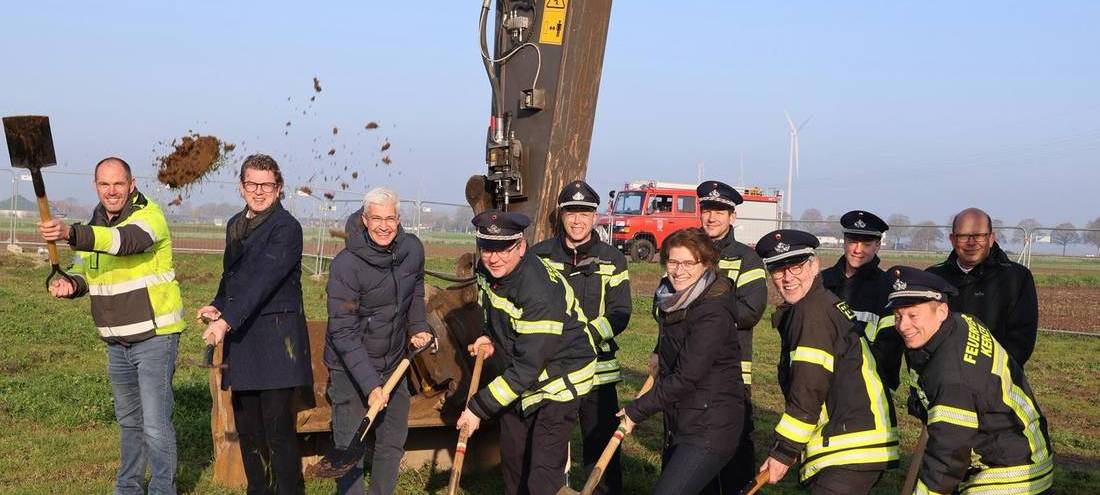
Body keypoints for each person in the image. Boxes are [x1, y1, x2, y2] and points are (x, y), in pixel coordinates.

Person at [39, 157, 183, 494]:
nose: (112, 191)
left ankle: (163, 490)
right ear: (96, 187)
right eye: (105, 184)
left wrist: (70, 233)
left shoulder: (149, 217)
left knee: (155, 426)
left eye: (119, 184)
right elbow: (89, 273)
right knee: (129, 424)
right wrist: (71, 285)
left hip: (154, 338)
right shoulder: (97, 221)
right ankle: (127, 488)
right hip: (117, 342)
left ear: (131, 185)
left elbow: (123, 242)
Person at [455, 210, 597, 495]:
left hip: (560, 378)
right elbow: (493, 308)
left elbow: (527, 368)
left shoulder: (539, 292)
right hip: (520, 372)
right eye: (486, 249)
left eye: (503, 249)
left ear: (521, 246)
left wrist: (476, 408)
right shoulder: (487, 269)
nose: (493, 258)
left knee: (541, 478)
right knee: (514, 462)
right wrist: (488, 335)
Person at [197, 154, 312, 494]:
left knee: (278, 433)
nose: (259, 191)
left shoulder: (287, 229)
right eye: (252, 184)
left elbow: (263, 279)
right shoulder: (236, 224)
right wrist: (218, 306)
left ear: (279, 189)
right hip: (243, 343)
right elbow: (233, 278)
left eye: (267, 185)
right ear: (241, 186)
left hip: (278, 345)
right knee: (249, 432)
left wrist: (226, 321)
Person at [886, 266, 1053, 495]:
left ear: (942, 311)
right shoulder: (963, 322)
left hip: (1007, 473)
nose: (903, 326)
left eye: (913, 315)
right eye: (898, 316)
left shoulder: (952, 377)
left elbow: (948, 456)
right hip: (1028, 449)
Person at [754, 230, 898, 494]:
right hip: (855, 441)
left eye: (796, 266)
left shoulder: (812, 313)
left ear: (815, 265)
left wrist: (784, 450)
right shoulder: (819, 304)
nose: (787, 278)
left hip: (849, 445)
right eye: (777, 270)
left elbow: (808, 388)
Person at [324, 187, 434, 495]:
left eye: (390, 218)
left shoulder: (412, 249)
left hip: (394, 362)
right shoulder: (346, 265)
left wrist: (418, 325)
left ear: (399, 219)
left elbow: (416, 288)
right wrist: (371, 384)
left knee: (391, 441)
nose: (383, 226)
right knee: (350, 445)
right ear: (364, 219)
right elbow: (343, 332)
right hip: (349, 367)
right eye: (376, 219)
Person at [618, 228, 744, 495]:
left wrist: (635, 410)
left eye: (689, 263)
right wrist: (658, 351)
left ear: (706, 265)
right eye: (673, 262)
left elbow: (687, 376)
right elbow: (678, 340)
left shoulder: (712, 311)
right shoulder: (673, 299)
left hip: (711, 426)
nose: (679, 270)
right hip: (685, 420)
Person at [531, 180, 631, 495]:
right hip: (551, 373)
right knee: (548, 449)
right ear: (561, 216)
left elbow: (620, 313)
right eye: (571, 212)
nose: (578, 220)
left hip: (597, 374)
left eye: (584, 213)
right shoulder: (539, 257)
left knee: (601, 447)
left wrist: (581, 340)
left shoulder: (613, 259)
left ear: (595, 216)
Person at [696, 180, 768, 493]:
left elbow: (750, 311)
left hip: (731, 369)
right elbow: (664, 303)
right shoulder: (687, 252)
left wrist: (701, 316)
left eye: (720, 211)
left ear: (732, 217)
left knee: (736, 438)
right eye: (707, 210)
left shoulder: (747, 260)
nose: (712, 218)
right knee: (695, 436)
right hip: (690, 367)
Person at [926, 208, 1039, 366]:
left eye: (979, 236)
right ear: (952, 239)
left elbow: (1021, 340)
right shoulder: (933, 278)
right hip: (942, 373)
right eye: (964, 236)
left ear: (991, 238)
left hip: (994, 378)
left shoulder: (1016, 278)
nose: (971, 243)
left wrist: (988, 373)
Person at [820, 210, 903, 389]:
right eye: (852, 242)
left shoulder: (888, 289)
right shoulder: (820, 282)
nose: (858, 250)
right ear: (844, 242)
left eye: (866, 244)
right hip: (821, 378)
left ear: (877, 245)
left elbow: (890, 350)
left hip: (866, 384)